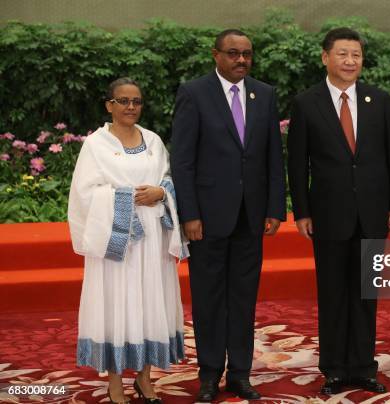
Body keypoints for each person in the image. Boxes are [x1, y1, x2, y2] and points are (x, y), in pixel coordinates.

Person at [287, 27, 390, 395]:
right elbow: (296, 162)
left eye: (356, 54)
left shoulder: (379, 100)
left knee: (365, 294)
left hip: (372, 213)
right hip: (327, 214)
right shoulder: (307, 103)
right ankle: (335, 368)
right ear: (325, 57)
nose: (350, 61)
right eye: (342, 54)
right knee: (333, 294)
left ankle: (363, 367)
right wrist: (302, 211)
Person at [170, 29, 286, 401]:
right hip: (207, 218)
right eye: (233, 53)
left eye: (247, 54)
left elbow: (271, 156)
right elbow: (183, 160)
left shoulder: (264, 94)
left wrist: (273, 208)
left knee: (243, 298)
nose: (241, 60)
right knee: (208, 298)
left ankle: (240, 373)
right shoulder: (193, 93)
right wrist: (189, 213)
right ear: (215, 55)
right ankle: (208, 375)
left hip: (251, 217)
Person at [68, 78, 186, 404]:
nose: (130, 107)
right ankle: (116, 382)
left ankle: (145, 379)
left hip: (153, 241)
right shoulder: (96, 144)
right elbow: (84, 194)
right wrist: (124, 196)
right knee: (117, 305)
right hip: (114, 241)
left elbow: (170, 180)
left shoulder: (153, 140)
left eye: (136, 101)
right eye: (123, 101)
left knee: (151, 303)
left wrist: (161, 192)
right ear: (109, 105)